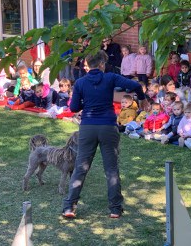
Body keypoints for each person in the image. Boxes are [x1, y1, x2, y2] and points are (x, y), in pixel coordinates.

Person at [62, 50, 149, 219]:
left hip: (87, 127)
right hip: (108, 126)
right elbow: (137, 85)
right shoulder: (110, 77)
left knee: (80, 168)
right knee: (111, 169)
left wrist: (86, 101)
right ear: (102, 64)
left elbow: (73, 108)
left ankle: (69, 207)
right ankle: (115, 209)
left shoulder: (80, 82)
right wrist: (143, 99)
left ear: (87, 64)